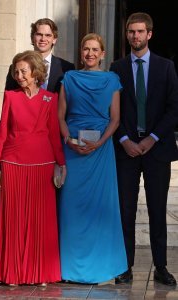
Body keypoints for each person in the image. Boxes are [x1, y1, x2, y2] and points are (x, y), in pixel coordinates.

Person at [110, 12, 178, 286]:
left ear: (149, 34)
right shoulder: (117, 67)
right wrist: (125, 139)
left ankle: (160, 266)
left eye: (140, 32)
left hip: (156, 150)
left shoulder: (165, 67)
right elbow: (112, 109)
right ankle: (125, 266)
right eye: (131, 32)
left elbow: (174, 109)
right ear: (126, 35)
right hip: (126, 151)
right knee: (125, 210)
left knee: (157, 209)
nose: (135, 36)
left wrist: (152, 138)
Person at [0, 50, 66, 285]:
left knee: (40, 222)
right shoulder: (11, 96)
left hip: (42, 165)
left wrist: (61, 164)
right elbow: (2, 134)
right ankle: (11, 272)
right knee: (13, 221)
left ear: (36, 73)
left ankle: (41, 272)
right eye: (17, 71)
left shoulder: (50, 98)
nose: (19, 75)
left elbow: (54, 134)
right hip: (13, 164)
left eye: (24, 71)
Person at [58, 33, 127, 284]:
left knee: (101, 209)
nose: (90, 53)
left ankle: (102, 267)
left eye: (95, 49)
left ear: (103, 53)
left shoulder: (112, 80)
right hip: (73, 150)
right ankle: (69, 268)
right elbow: (60, 116)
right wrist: (68, 140)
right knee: (71, 209)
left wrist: (100, 142)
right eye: (86, 49)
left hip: (101, 151)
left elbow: (115, 118)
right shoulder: (70, 78)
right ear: (80, 52)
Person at [5, 18, 75, 93]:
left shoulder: (67, 68)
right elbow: (9, 97)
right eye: (39, 34)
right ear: (32, 38)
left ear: (54, 39)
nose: (43, 39)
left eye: (48, 35)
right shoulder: (16, 67)